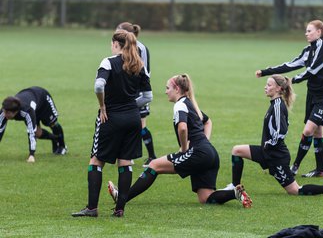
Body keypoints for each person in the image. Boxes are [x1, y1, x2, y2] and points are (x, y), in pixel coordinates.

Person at [108, 74, 252, 208]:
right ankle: (234, 193)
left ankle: (122, 197)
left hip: (199, 152)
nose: (165, 92)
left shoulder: (180, 104)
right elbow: (207, 122)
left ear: (177, 89)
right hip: (210, 154)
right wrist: (204, 142)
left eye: (167, 88)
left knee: (154, 165)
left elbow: (182, 128)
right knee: (205, 198)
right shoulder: (190, 104)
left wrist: (184, 148)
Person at [223, 74, 323, 197]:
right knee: (237, 150)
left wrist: (270, 143)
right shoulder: (274, 104)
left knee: (295, 190)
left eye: (269, 85)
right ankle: (235, 186)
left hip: (276, 156)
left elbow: (282, 131)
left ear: (278, 88)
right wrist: (267, 145)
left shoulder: (278, 106)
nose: (265, 87)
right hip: (266, 152)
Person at [71, 29, 152, 218]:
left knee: (96, 160)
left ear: (116, 44)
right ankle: (120, 209)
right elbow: (148, 96)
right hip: (133, 119)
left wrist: (103, 106)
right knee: (125, 162)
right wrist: (131, 105)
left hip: (111, 117)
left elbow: (99, 85)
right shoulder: (139, 65)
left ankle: (92, 208)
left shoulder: (108, 62)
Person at [255, 20, 323, 178]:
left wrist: (292, 80)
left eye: (309, 31)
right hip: (312, 94)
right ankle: (320, 170)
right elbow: (290, 65)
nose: (306, 34)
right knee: (318, 131)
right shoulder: (308, 50)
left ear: (319, 32)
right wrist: (265, 72)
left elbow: (313, 70)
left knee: (308, 130)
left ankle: (295, 166)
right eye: (306, 31)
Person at [116, 22, 156, 168]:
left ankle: (151, 156)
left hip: (138, 91)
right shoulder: (128, 47)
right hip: (132, 90)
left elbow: (141, 72)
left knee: (140, 125)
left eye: (118, 31)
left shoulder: (138, 48)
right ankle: (128, 156)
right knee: (130, 124)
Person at [0, 86, 67, 163]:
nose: (4, 114)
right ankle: (55, 138)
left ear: (15, 112)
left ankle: (62, 146)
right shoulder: (5, 110)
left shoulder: (26, 112)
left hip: (43, 99)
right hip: (32, 101)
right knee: (38, 133)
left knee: (52, 123)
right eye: (4, 111)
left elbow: (31, 132)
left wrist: (31, 155)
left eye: (7, 113)